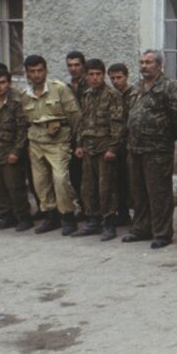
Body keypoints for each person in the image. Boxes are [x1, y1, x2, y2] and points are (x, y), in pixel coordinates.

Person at [123, 49, 177, 249]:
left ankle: (162, 232)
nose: (144, 66)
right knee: (138, 191)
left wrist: (166, 137)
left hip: (158, 149)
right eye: (141, 62)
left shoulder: (169, 87)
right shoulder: (136, 87)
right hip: (135, 148)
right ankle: (141, 227)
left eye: (148, 62)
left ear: (159, 65)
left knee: (159, 193)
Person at [21, 54, 81, 235]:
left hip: (58, 142)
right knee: (41, 182)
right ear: (27, 73)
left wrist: (75, 141)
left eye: (40, 70)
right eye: (32, 72)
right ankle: (51, 216)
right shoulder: (25, 94)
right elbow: (25, 120)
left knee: (61, 179)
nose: (37, 75)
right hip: (36, 142)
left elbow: (75, 117)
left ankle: (68, 216)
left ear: (46, 70)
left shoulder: (60, 89)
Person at [74, 58, 125, 239]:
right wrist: (79, 144)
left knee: (107, 188)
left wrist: (113, 148)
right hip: (88, 147)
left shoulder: (113, 95)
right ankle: (92, 221)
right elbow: (82, 121)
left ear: (103, 75)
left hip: (105, 148)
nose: (94, 78)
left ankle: (109, 223)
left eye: (98, 74)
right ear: (86, 76)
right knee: (88, 187)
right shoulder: (86, 95)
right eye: (91, 74)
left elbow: (117, 124)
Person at [0, 65, 33, 232]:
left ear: (9, 83)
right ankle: (6, 215)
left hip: (10, 150)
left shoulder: (17, 102)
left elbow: (22, 129)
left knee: (15, 186)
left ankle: (23, 217)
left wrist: (16, 152)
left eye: (2, 82)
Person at [107, 63, 136, 229]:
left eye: (119, 77)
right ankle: (123, 214)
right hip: (115, 143)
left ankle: (138, 216)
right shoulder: (111, 96)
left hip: (130, 143)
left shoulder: (134, 94)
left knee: (133, 181)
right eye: (112, 78)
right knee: (117, 181)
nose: (116, 81)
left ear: (126, 77)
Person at [65, 49, 87, 218]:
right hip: (71, 137)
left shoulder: (90, 84)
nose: (73, 68)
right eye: (70, 65)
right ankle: (82, 206)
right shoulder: (66, 87)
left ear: (83, 66)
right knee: (75, 174)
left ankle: (93, 209)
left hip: (88, 136)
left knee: (90, 177)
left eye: (77, 65)